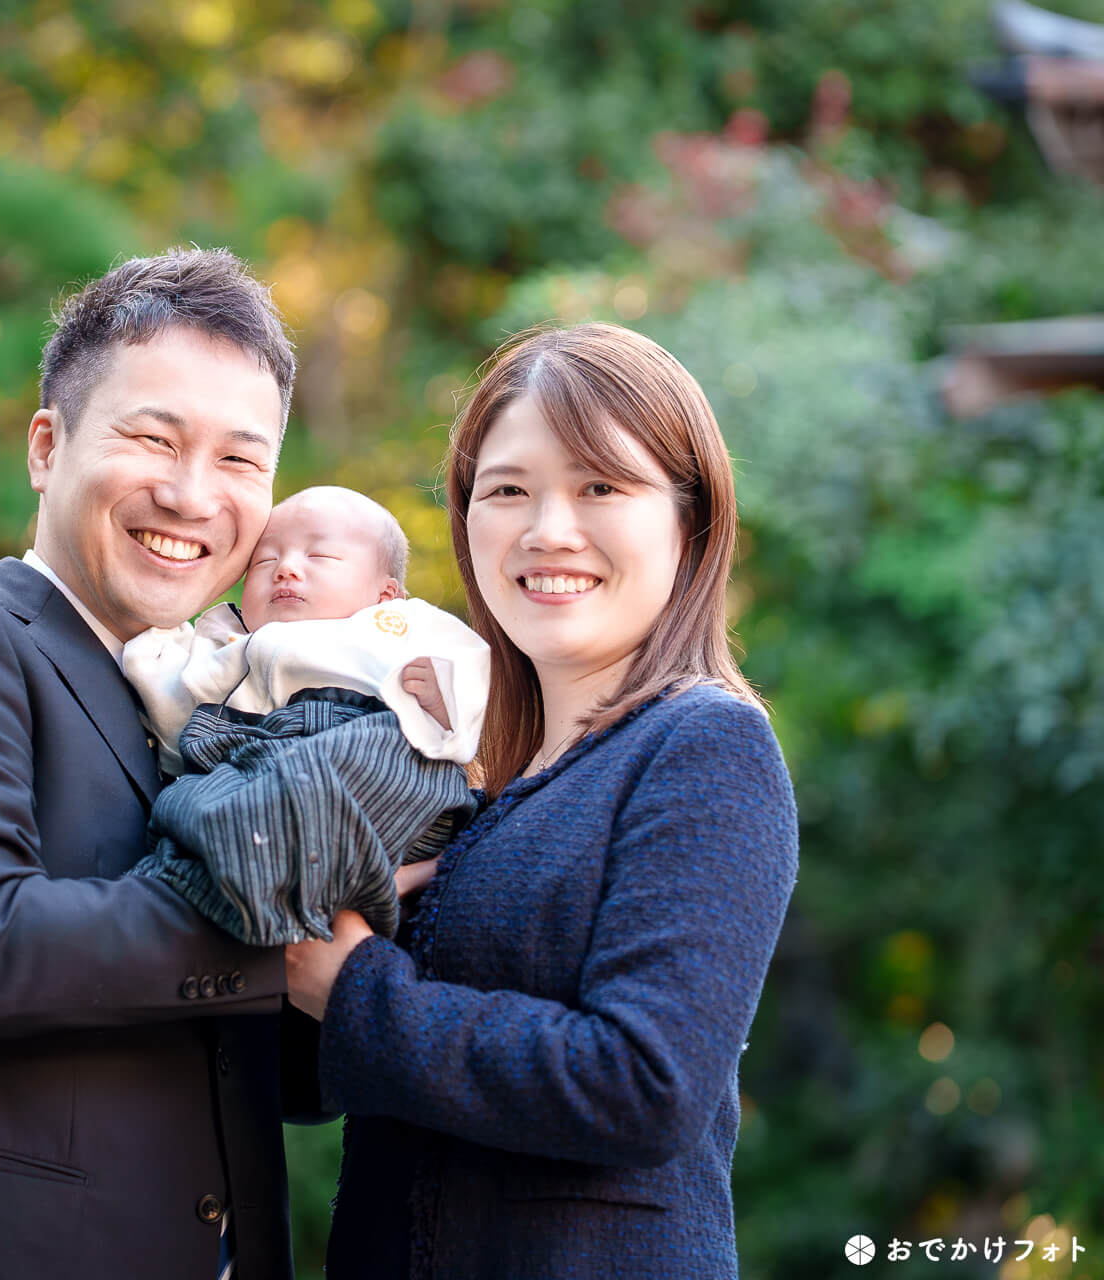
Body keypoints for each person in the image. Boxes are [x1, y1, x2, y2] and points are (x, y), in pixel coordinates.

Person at [0, 248, 304, 1279]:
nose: (189, 493)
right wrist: (288, 932)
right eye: (151, 437)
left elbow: (286, 1072)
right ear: (46, 444)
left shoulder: (236, 708)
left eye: (239, 460)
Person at [285, 323, 800, 1279]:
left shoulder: (704, 745)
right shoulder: (469, 779)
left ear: (690, 522)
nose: (546, 529)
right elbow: (323, 1076)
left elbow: (645, 1087)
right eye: (508, 490)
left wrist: (355, 986)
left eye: (600, 486)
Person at [124, 485, 491, 946]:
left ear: (386, 594)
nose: (286, 568)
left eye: (320, 557)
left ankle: (227, 890)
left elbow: (468, 659)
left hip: (368, 744)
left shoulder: (395, 625)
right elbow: (179, 706)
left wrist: (444, 698)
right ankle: (192, 887)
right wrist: (147, 652)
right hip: (254, 757)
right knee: (185, 798)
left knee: (337, 770)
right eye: (265, 561)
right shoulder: (231, 645)